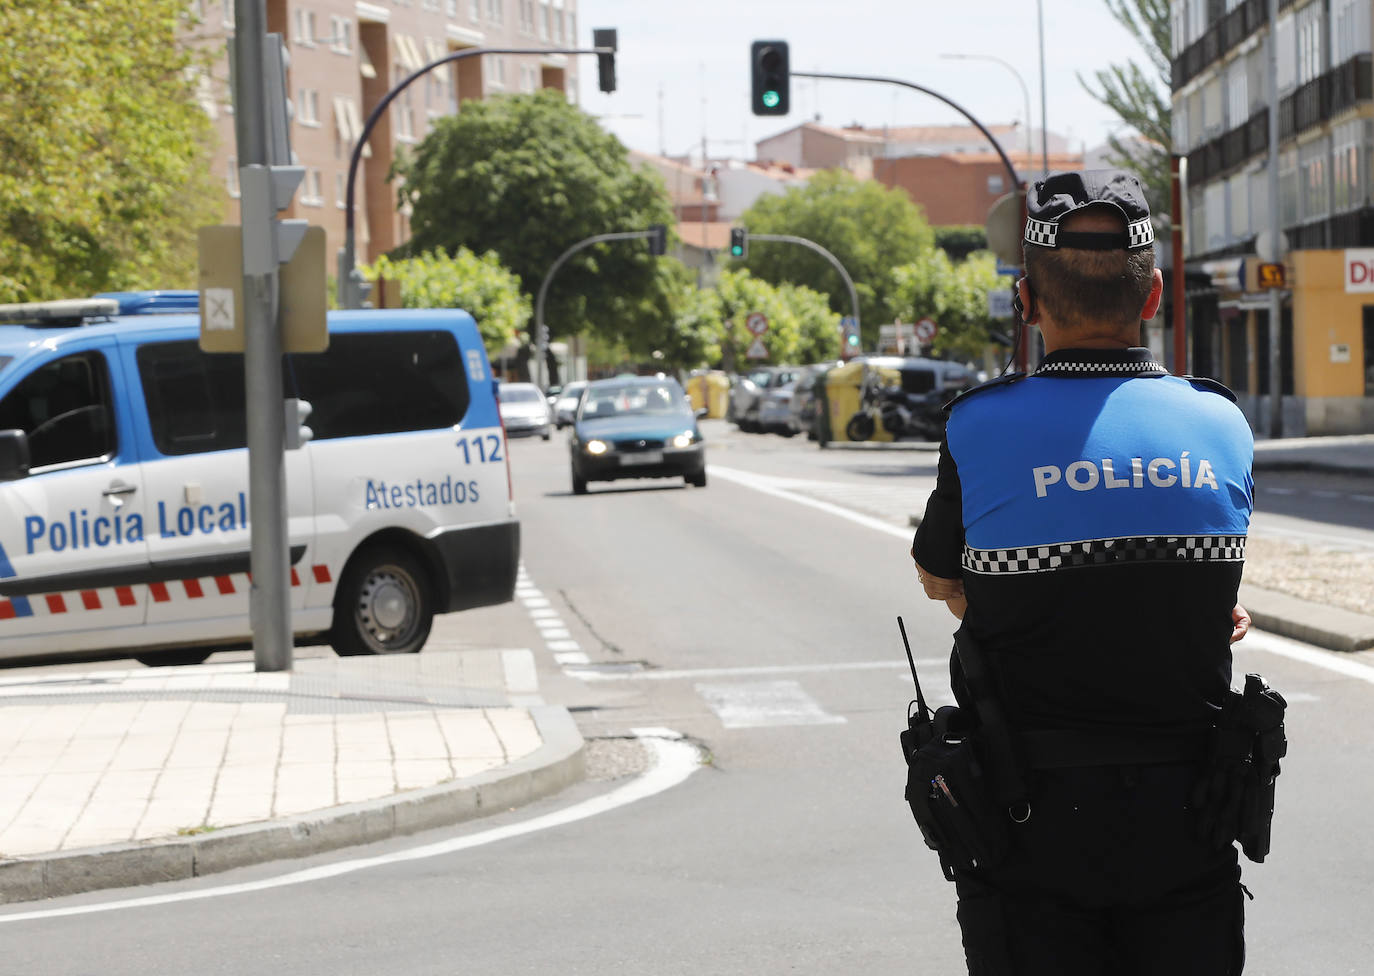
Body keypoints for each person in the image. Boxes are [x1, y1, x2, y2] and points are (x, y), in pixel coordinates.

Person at [911, 169, 1258, 975]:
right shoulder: (1221, 423)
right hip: (1190, 819)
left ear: (1025, 302)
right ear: (1154, 296)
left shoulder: (978, 426)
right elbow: (1209, 579)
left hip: (1027, 827)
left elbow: (938, 575)